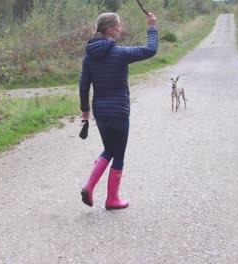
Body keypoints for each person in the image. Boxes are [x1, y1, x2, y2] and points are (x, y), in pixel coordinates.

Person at [79, 12, 158, 210]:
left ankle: (89, 187)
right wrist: (151, 27)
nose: (121, 29)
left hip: (101, 113)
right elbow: (151, 49)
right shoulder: (121, 53)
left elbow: (83, 86)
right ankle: (111, 199)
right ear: (111, 29)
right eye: (119, 26)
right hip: (119, 112)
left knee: (109, 149)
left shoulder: (89, 56)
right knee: (118, 154)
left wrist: (85, 113)